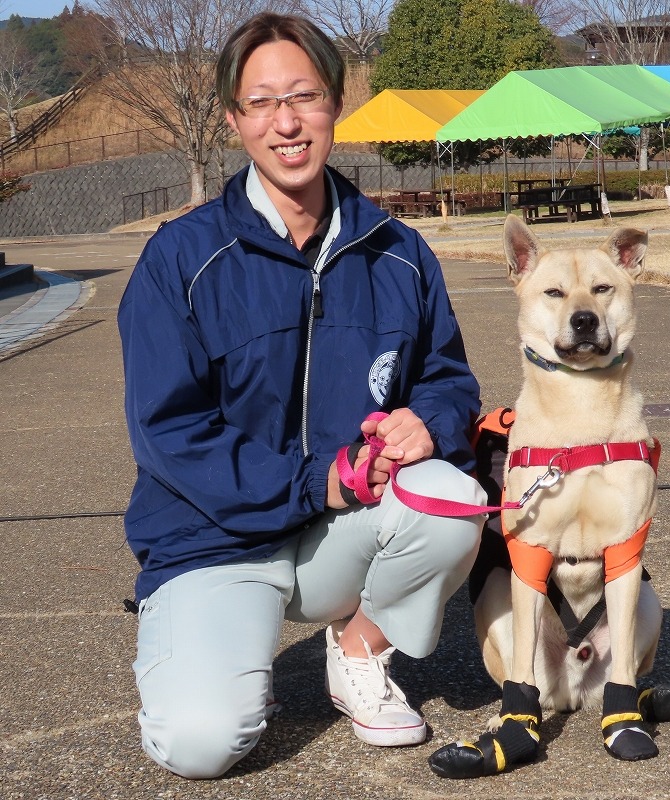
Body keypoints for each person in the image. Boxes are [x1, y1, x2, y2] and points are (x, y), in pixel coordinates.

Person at [117, 11, 487, 780]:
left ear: (334, 104)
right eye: (260, 103)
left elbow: (448, 377)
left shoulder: (399, 252)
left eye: (304, 97)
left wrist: (433, 421)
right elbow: (168, 430)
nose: (286, 123)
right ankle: (192, 646)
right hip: (213, 542)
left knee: (450, 496)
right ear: (233, 119)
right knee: (201, 743)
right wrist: (312, 478)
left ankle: (356, 652)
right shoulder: (178, 259)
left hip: (339, 532)